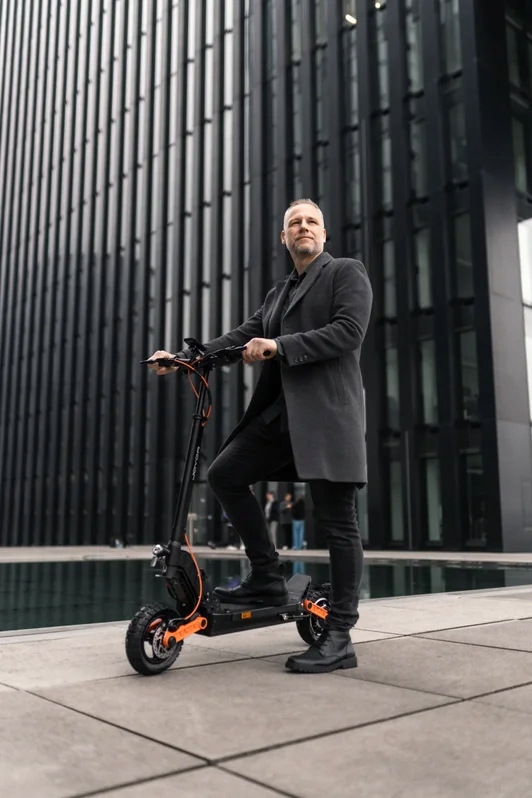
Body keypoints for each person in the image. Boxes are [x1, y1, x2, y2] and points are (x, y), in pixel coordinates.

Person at [147, 198, 373, 674]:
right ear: (284, 237)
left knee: (338, 522)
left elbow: (348, 331)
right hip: (280, 418)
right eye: (295, 223)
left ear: (324, 234)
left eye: (312, 221)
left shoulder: (345, 272)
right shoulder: (278, 294)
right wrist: (186, 359)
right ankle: (267, 575)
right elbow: (241, 336)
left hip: (327, 419)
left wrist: (279, 345)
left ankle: (339, 636)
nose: (304, 227)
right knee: (225, 474)